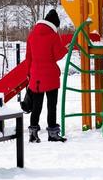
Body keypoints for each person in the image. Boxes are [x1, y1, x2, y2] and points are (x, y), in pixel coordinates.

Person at [25, 8, 70, 143]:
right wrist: (65, 49)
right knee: (52, 105)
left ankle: (33, 134)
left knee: (36, 106)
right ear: (54, 24)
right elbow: (56, 55)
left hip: (36, 76)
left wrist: (29, 74)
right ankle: (52, 134)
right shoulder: (53, 36)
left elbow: (28, 57)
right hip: (50, 75)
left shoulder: (32, 35)